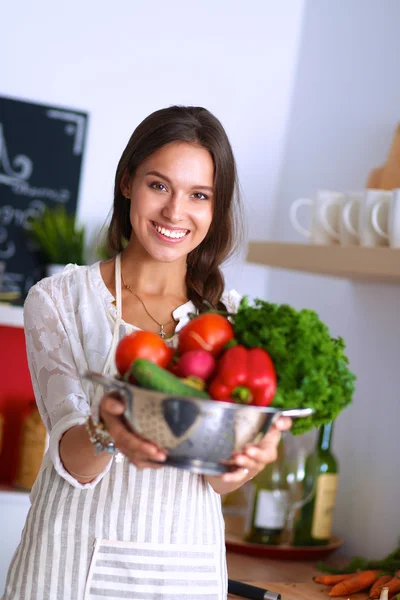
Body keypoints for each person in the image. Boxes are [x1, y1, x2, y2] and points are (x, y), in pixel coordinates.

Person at [2, 106, 291, 600]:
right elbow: (71, 459)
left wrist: (251, 459)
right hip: (67, 567)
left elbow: (216, 483)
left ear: (214, 209)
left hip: (185, 571)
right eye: (159, 186)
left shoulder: (238, 322)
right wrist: (110, 428)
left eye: (198, 195)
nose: (175, 212)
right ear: (127, 182)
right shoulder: (59, 300)